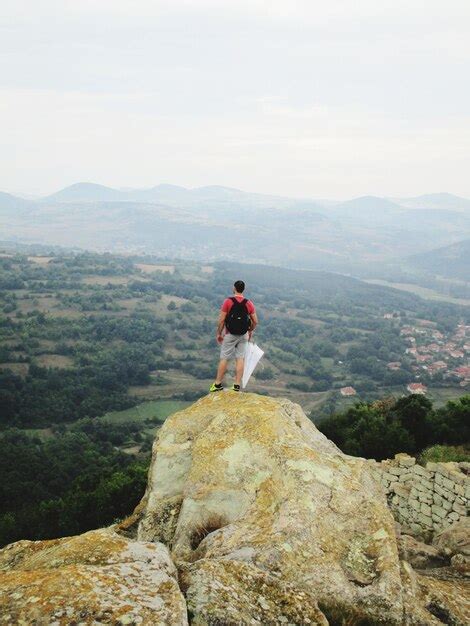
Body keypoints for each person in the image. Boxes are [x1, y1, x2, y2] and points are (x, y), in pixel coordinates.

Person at [209, 280, 258, 392]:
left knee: (224, 358)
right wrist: (250, 331)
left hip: (230, 334)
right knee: (240, 358)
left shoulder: (228, 302)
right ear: (243, 289)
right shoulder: (249, 303)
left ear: (234, 288)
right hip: (243, 334)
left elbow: (221, 320)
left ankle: (217, 384)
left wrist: (219, 333)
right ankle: (236, 385)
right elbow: (255, 321)